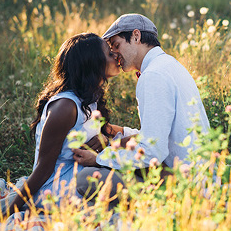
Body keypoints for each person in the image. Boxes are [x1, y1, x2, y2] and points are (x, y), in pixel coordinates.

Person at [71, 14, 210, 197]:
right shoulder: (169, 65)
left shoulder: (153, 76)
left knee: (87, 178)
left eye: (117, 45)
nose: (114, 54)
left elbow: (152, 151)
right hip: (200, 176)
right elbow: (159, 133)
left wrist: (98, 159)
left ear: (136, 36)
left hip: (186, 185)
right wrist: (117, 132)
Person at [0, 33, 125, 216]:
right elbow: (43, 167)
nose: (116, 56)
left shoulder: (89, 96)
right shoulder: (65, 107)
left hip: (82, 173)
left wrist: (103, 138)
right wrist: (10, 209)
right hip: (56, 186)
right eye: (110, 54)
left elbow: (96, 131)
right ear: (92, 62)